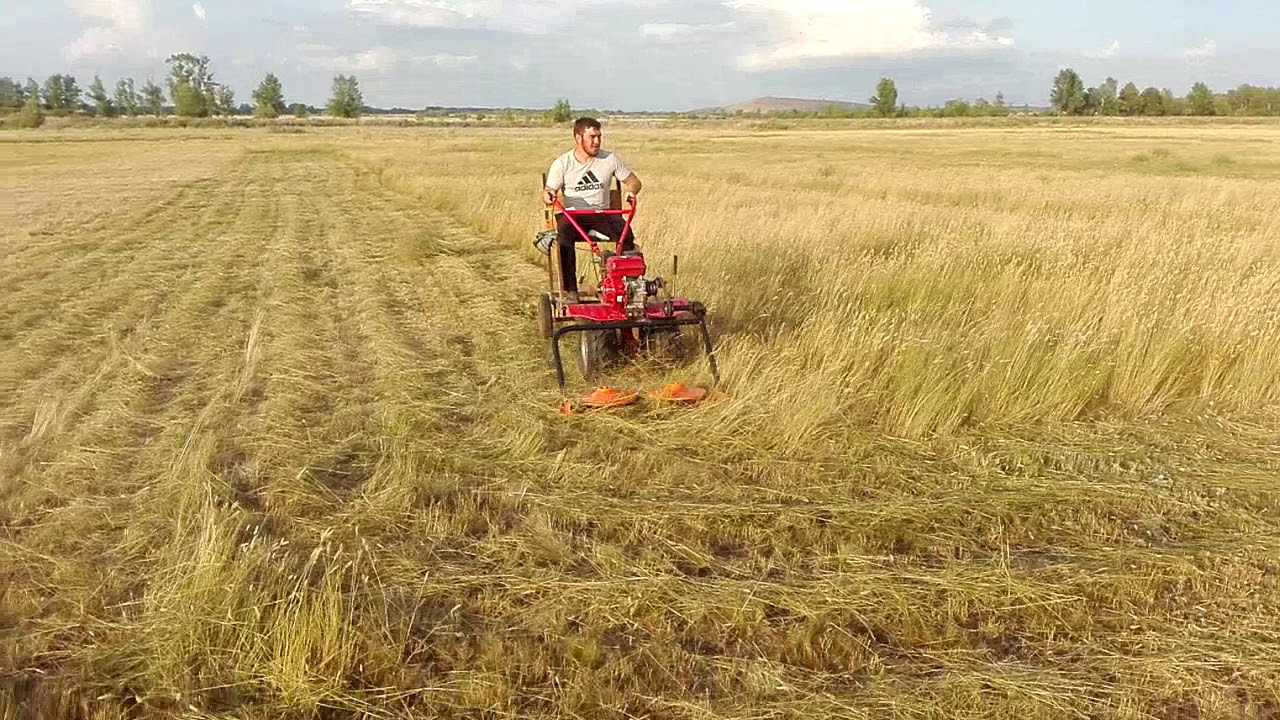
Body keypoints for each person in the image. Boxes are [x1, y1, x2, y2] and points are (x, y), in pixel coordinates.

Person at [543, 116, 643, 301]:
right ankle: (570, 290)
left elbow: (634, 182)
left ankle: (628, 285)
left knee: (626, 234)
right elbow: (549, 191)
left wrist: (632, 192)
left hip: (602, 214)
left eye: (599, 137)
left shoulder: (610, 159)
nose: (597, 141)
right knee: (564, 231)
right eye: (592, 137)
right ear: (578, 138)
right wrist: (549, 194)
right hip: (574, 215)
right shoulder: (563, 163)